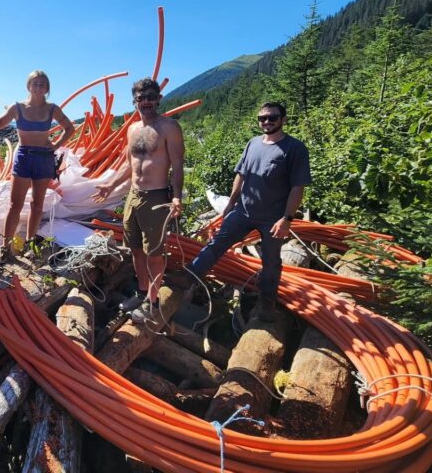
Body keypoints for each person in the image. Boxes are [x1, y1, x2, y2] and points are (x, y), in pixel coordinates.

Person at [187, 102, 311, 322]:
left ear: (283, 119)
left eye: (272, 117)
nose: (267, 122)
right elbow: (241, 175)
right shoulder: (253, 143)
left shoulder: (295, 148)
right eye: (262, 118)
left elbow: (297, 187)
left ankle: (267, 304)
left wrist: (287, 218)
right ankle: (188, 277)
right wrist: (231, 204)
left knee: (271, 263)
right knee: (216, 245)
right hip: (243, 212)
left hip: (273, 218)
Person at [92, 78, 184, 324]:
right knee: (134, 248)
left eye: (151, 97)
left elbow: (177, 165)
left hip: (156, 196)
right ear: (135, 102)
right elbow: (128, 164)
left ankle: (153, 302)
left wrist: (176, 196)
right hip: (134, 196)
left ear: (159, 99)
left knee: (154, 253)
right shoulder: (132, 129)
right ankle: (142, 292)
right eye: (141, 98)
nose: (146, 102)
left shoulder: (169, 127)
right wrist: (110, 185)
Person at [0, 70, 75, 262]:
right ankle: (5, 248)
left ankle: (30, 245)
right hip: (24, 157)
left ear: (47, 88)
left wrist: (56, 145)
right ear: (28, 86)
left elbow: (70, 128)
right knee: (15, 205)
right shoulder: (17, 107)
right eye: (35, 83)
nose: (38, 87)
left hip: (44, 158)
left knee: (37, 205)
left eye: (42, 84)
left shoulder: (52, 109)